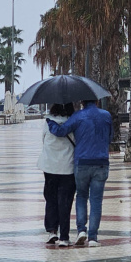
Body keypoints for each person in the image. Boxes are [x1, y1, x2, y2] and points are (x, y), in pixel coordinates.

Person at [46, 99, 112, 247]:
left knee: (81, 196)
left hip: (82, 163)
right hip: (101, 163)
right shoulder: (106, 115)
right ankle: (93, 237)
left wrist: (50, 122)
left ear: (82, 101)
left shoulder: (78, 116)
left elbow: (61, 131)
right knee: (96, 201)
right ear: (97, 100)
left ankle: (81, 230)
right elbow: (110, 138)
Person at [37, 103, 76, 247]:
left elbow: (43, 141)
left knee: (51, 199)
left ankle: (52, 231)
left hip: (49, 167)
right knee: (64, 202)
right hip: (67, 167)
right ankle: (64, 237)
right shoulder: (73, 123)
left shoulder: (47, 123)